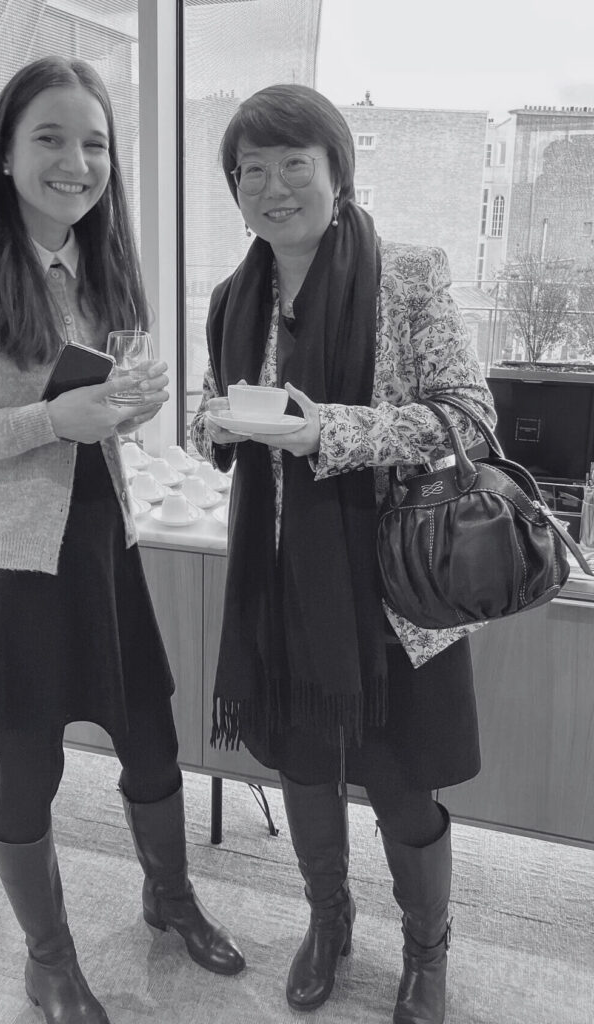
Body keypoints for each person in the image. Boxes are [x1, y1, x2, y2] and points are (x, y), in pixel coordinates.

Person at [0, 56, 244, 1024]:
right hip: (10, 565)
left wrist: (123, 408)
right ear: (4, 151)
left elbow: (90, 406)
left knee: (152, 742)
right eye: (50, 138)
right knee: (29, 772)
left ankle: (169, 897)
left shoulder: (97, 257)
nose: (76, 163)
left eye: (94, 143)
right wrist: (52, 421)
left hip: (102, 545)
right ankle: (49, 961)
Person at [191, 83, 496, 1023]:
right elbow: (214, 421)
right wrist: (214, 426)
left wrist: (330, 431)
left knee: (402, 787)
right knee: (304, 766)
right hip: (280, 583)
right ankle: (330, 918)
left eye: (296, 164)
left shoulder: (407, 274)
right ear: (234, 188)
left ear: (337, 172)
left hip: (394, 588)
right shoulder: (232, 299)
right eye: (252, 170)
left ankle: (427, 950)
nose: (273, 187)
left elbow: (468, 419)